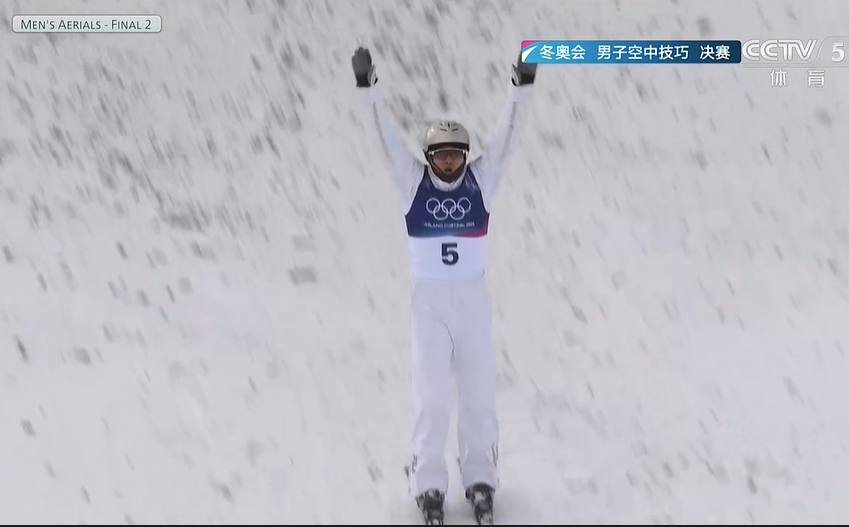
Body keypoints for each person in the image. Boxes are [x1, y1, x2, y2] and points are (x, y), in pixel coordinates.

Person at [351, 45, 536, 524]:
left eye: (456, 156)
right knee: (431, 398)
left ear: (465, 157)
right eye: (442, 157)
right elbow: (384, 139)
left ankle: (481, 481)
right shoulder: (412, 184)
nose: (450, 165)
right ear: (429, 157)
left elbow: (508, 138)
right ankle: (429, 486)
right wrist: (368, 90)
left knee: (478, 396)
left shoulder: (481, 182)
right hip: (429, 304)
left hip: (472, 300)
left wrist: (521, 88)